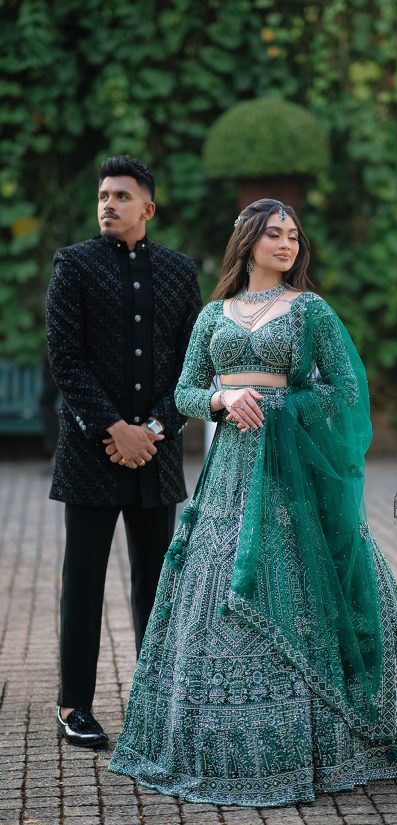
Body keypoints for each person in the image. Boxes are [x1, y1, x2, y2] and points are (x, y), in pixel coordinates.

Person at [108, 199, 397, 806]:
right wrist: (222, 401)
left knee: (302, 578)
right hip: (230, 474)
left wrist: (282, 406)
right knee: (215, 577)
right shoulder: (214, 315)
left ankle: (324, 736)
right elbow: (185, 391)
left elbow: (346, 390)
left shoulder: (311, 311)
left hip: (291, 473)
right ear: (248, 243)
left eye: (293, 236)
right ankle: (212, 742)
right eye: (274, 234)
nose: (287, 244)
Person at [47, 155, 201, 748]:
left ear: (148, 208)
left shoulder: (178, 271)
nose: (108, 205)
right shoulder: (74, 265)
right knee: (83, 581)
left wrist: (153, 429)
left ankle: (155, 703)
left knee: (157, 584)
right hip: (91, 453)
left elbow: (192, 363)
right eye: (103, 196)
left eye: (121, 196)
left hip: (156, 455)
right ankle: (74, 706)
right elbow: (65, 359)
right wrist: (114, 428)